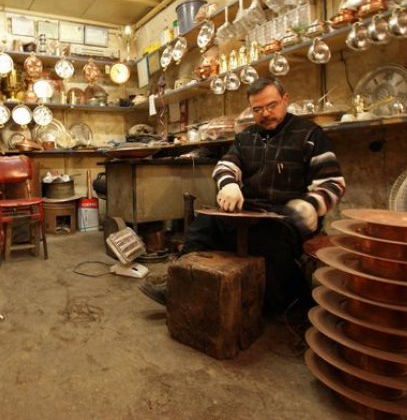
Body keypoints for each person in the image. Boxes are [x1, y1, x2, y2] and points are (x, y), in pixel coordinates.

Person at [140, 77, 346, 319]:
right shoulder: (246, 136)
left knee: (268, 244)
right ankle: (179, 287)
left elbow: (332, 183)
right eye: (257, 109)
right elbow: (226, 165)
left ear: (285, 100)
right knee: (203, 227)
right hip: (248, 212)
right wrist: (228, 184)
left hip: (287, 218)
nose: (265, 114)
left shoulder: (310, 134)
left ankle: (287, 307)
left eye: (271, 106)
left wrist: (312, 205)